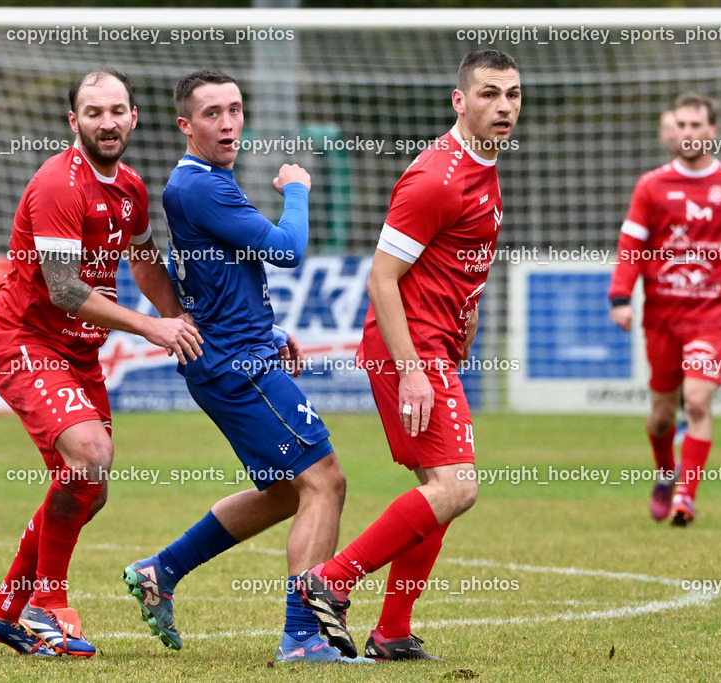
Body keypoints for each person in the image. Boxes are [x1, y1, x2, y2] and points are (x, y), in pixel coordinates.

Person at [121, 69, 369, 664]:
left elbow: (211, 277)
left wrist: (270, 329)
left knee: (288, 491)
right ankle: (303, 637)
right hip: (238, 367)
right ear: (185, 125)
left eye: (235, 109)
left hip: (235, 352)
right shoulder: (204, 187)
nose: (228, 122)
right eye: (212, 113)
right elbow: (285, 250)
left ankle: (163, 569)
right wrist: (298, 188)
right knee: (325, 481)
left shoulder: (198, 183)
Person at [292, 50, 521, 661]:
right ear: (459, 100)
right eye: (489, 94)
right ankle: (332, 580)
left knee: (437, 489)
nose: (503, 107)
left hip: (437, 340)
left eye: (512, 95)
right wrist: (414, 371)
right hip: (408, 349)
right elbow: (381, 279)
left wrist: (464, 317)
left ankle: (392, 631)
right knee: (458, 486)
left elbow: (455, 261)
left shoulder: (485, 165)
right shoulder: (436, 177)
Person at [0, 69, 203, 658]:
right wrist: (152, 326)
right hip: (26, 343)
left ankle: (4, 611)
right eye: (94, 112)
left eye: (117, 111)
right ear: (73, 121)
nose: (107, 122)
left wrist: (182, 321)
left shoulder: (128, 186)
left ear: (134, 118)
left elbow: (146, 262)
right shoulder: (59, 184)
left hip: (78, 353)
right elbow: (62, 287)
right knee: (92, 456)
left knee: (89, 488)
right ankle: (46, 604)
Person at [609, 93, 721, 526]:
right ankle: (665, 474)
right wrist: (620, 298)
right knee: (661, 416)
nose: (689, 132)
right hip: (661, 315)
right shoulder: (651, 185)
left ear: (712, 130)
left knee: (697, 402)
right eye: (682, 124)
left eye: (697, 125)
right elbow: (631, 247)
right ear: (672, 129)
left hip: (712, 314)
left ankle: (686, 497)